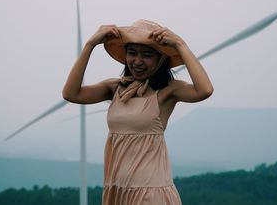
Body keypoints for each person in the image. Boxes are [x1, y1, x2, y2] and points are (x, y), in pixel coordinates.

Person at [62, 19, 213, 205]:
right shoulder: (115, 88)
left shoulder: (168, 91)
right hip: (118, 190)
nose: (137, 61)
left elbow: (204, 90)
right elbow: (71, 93)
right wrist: (90, 44)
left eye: (147, 55)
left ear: (161, 60)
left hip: (150, 194)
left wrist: (180, 44)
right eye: (132, 53)